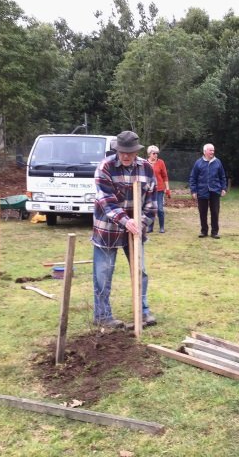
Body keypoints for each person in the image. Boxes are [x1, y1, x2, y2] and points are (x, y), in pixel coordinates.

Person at [91, 130, 157, 328]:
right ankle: (102, 315)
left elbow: (152, 204)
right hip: (107, 228)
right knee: (103, 273)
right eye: (122, 152)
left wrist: (141, 223)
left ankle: (143, 310)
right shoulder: (105, 167)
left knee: (140, 271)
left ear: (136, 151)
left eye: (130, 152)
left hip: (135, 230)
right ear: (116, 150)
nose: (126, 156)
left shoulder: (146, 168)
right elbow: (106, 201)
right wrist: (126, 220)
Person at [189, 143, 227, 239]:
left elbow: (222, 176)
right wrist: (193, 191)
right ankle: (204, 231)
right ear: (205, 151)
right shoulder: (198, 163)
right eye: (210, 150)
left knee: (215, 212)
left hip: (215, 191)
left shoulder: (218, 162)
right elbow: (193, 177)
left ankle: (214, 232)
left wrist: (223, 188)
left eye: (213, 150)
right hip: (202, 191)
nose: (212, 152)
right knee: (203, 212)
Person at [146, 145, 171, 233]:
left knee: (160, 209)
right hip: (148, 190)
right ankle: (150, 227)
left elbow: (165, 176)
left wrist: (167, 189)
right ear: (149, 154)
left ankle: (161, 227)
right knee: (150, 209)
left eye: (157, 153)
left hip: (159, 189)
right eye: (154, 153)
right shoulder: (145, 163)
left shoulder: (161, 162)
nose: (156, 155)